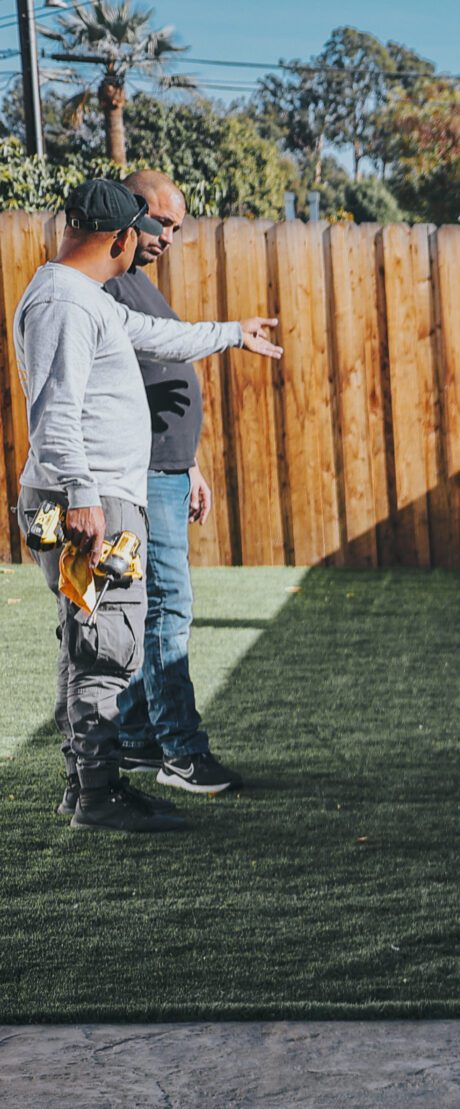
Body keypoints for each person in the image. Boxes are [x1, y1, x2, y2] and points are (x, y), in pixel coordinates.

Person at [12, 177, 279, 833]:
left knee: (89, 638)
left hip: (91, 499)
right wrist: (82, 498)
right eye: (150, 232)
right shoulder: (66, 304)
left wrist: (230, 333)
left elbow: (159, 336)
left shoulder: (79, 296)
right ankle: (99, 795)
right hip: (90, 503)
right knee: (107, 642)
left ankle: (88, 787)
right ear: (124, 236)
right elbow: (54, 413)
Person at [105, 170, 237, 794]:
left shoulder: (139, 285)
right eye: (164, 224)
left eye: (180, 229)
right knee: (166, 610)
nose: (170, 239)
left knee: (146, 607)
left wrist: (190, 465)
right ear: (131, 212)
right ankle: (182, 753)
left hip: (168, 470)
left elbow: (159, 369)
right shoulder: (108, 287)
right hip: (144, 475)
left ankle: (135, 738)